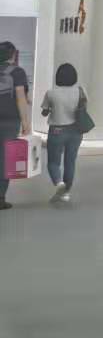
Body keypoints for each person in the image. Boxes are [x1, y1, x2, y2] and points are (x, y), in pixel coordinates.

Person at [41, 63, 87, 204]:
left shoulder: (51, 93)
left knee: (53, 162)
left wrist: (51, 109)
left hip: (57, 131)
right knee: (70, 162)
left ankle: (59, 183)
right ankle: (66, 193)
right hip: (76, 131)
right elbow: (84, 109)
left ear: (58, 77)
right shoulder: (80, 91)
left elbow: (44, 112)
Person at [0, 41, 31, 211]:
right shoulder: (17, 72)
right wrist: (26, 123)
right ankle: (0, 198)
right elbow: (21, 98)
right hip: (10, 121)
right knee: (5, 159)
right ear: (13, 54)